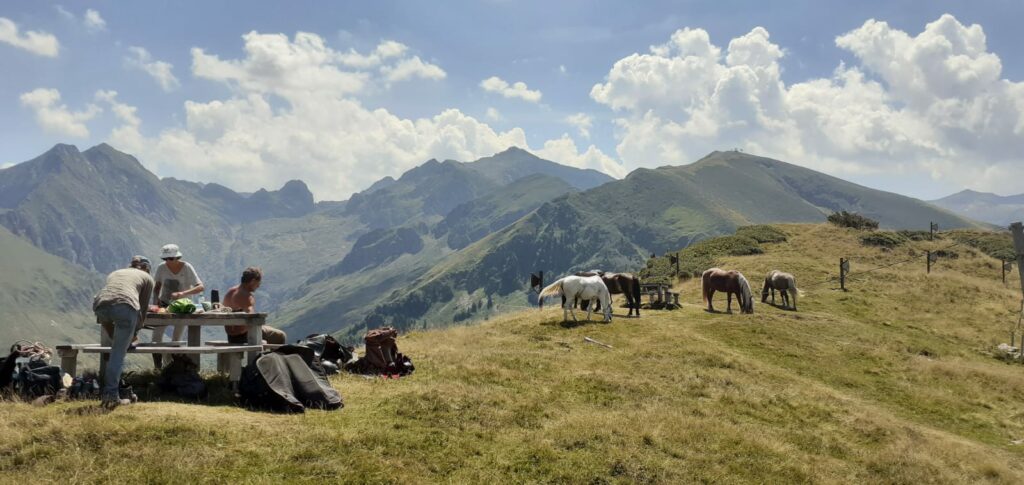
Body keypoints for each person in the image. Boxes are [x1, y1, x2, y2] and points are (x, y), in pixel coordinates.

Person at [93, 256, 154, 409]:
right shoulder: (147, 278)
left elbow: (108, 299)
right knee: (117, 355)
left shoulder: (115, 273)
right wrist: (135, 333)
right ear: (146, 268)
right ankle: (111, 395)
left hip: (100, 304)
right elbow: (143, 308)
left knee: (117, 346)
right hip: (125, 306)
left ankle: (113, 388)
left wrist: (115, 337)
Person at [150, 243, 205, 367]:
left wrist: (182, 293)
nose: (167, 261)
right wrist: (155, 302)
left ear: (177, 257)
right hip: (164, 305)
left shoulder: (187, 267)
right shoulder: (161, 268)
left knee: (176, 339)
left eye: (170, 258)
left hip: (182, 307)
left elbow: (200, 287)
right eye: (165, 259)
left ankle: (172, 367)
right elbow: (157, 286)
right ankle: (157, 368)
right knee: (156, 337)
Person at [222, 267, 287, 345]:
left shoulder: (230, 292)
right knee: (281, 336)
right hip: (245, 336)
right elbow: (252, 320)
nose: (258, 286)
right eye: (258, 283)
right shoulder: (247, 296)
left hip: (231, 337)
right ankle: (272, 357)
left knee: (268, 330)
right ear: (252, 281)